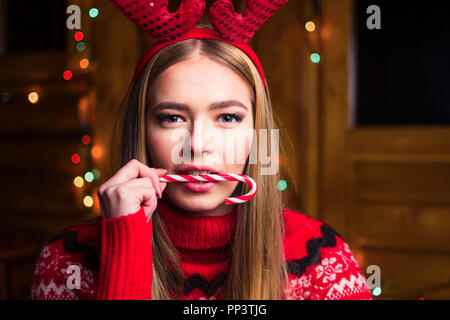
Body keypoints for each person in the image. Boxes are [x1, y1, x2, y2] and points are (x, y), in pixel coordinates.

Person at [30, 0, 373, 300]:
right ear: (143, 130)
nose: (197, 145)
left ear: (258, 133)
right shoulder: (68, 260)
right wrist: (126, 243)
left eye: (227, 116)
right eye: (172, 117)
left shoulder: (322, 260)